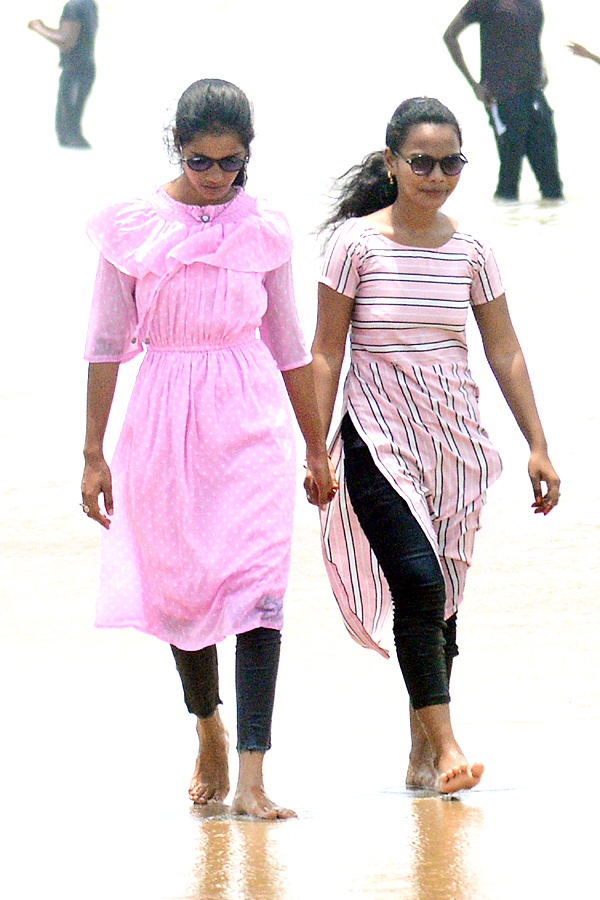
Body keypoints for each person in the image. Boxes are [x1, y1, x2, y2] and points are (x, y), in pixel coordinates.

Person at [81, 78, 335, 819]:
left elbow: (288, 345)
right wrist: (93, 453)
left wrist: (317, 447)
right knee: (184, 590)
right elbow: (102, 344)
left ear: (247, 157)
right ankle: (208, 728)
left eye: (230, 163)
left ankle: (254, 775)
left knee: (259, 592)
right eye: (200, 161)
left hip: (251, 413)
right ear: (178, 148)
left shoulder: (265, 229)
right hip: (164, 410)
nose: (215, 177)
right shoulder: (133, 226)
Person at [305, 97, 560, 794]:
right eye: (422, 162)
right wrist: (314, 447)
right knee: (417, 581)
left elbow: (504, 350)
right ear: (392, 162)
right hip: (375, 433)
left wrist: (537, 443)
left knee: (441, 596)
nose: (436, 175)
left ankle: (420, 752)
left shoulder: (473, 250)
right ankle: (448, 747)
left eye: (451, 162)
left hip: (455, 442)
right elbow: (325, 354)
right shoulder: (355, 244)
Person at [443, 1, 563, 202]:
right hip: (503, 97)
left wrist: (542, 66)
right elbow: (450, 36)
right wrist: (474, 84)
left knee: (552, 185)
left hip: (534, 94)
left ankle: (548, 227)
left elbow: (532, 38)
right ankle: (503, 226)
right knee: (510, 175)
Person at [28, 0, 98, 148]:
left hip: (74, 71)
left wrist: (38, 27)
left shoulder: (74, 6)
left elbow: (66, 41)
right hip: (84, 69)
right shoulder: (89, 4)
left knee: (68, 133)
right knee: (71, 131)